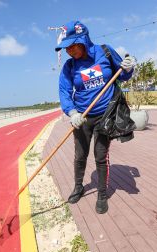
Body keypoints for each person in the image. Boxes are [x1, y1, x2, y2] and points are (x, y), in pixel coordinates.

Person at [55, 21, 135, 214]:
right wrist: (72, 113)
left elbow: (122, 76)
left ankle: (101, 193)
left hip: (104, 115)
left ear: (83, 40)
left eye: (72, 45)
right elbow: (64, 91)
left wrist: (128, 68)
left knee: (101, 156)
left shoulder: (105, 52)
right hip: (82, 117)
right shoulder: (69, 66)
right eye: (66, 48)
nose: (69, 51)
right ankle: (79, 187)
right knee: (80, 155)